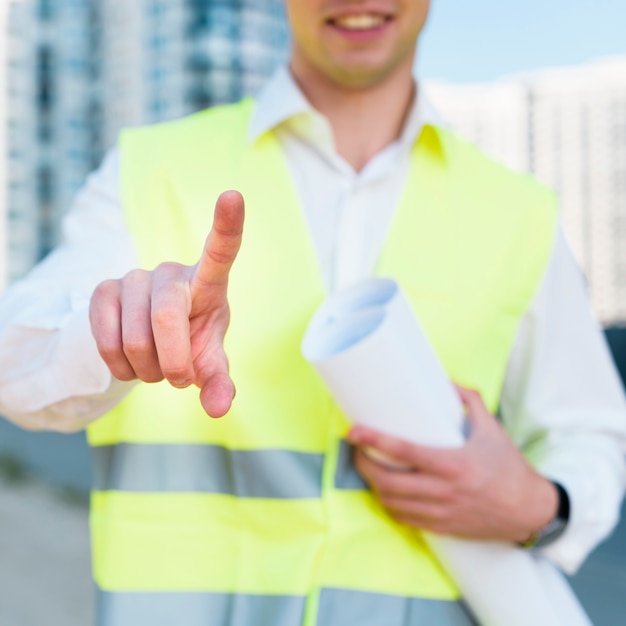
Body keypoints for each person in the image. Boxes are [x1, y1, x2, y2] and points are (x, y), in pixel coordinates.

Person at [1, 1, 625, 624]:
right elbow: (14, 363)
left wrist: (543, 505)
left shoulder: (519, 216)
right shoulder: (150, 168)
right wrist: (110, 328)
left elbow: (590, 435)